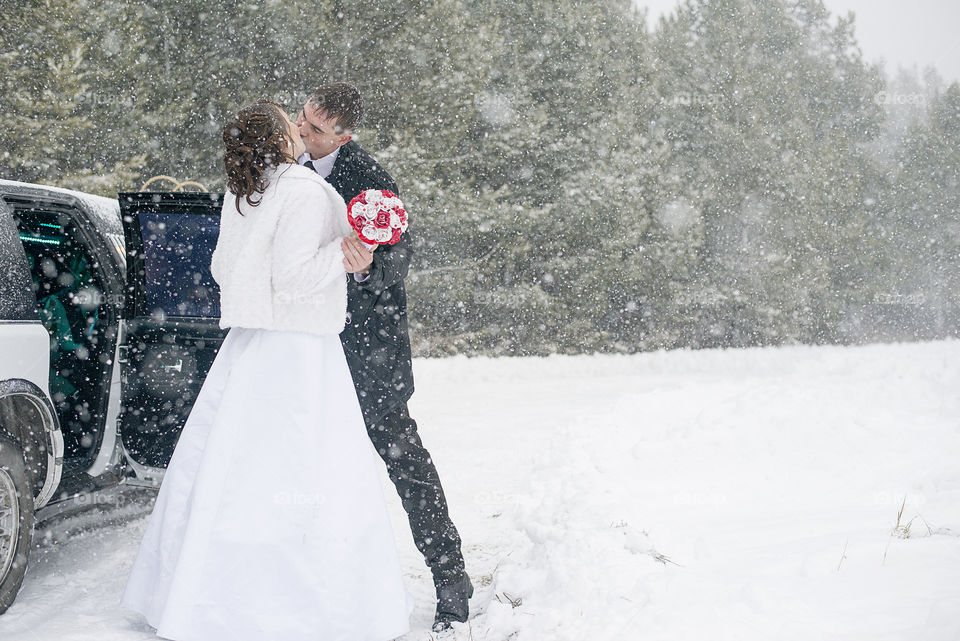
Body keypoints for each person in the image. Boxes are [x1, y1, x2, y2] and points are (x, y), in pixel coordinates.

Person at [121, 100, 411, 641]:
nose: (299, 127)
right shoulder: (299, 190)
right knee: (302, 468)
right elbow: (297, 278)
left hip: (252, 345)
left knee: (234, 468)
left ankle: (204, 596)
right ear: (279, 139)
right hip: (298, 347)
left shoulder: (246, 191)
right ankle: (291, 606)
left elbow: (221, 268)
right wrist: (346, 253)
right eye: (291, 122)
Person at [295, 82, 472, 632]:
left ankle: (450, 574)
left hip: (366, 351)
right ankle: (308, 585)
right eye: (302, 119)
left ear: (344, 137)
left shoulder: (370, 181)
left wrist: (368, 264)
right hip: (305, 348)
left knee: (404, 463)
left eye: (316, 129)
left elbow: (399, 260)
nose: (302, 132)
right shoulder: (286, 166)